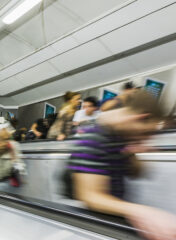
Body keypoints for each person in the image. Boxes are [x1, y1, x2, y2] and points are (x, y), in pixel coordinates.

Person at [64, 90, 176, 240]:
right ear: (140, 118)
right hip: (91, 223)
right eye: (147, 133)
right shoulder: (92, 139)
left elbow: (137, 172)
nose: (148, 138)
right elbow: (90, 197)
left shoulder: (122, 137)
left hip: (114, 217)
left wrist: (132, 151)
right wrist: (143, 212)